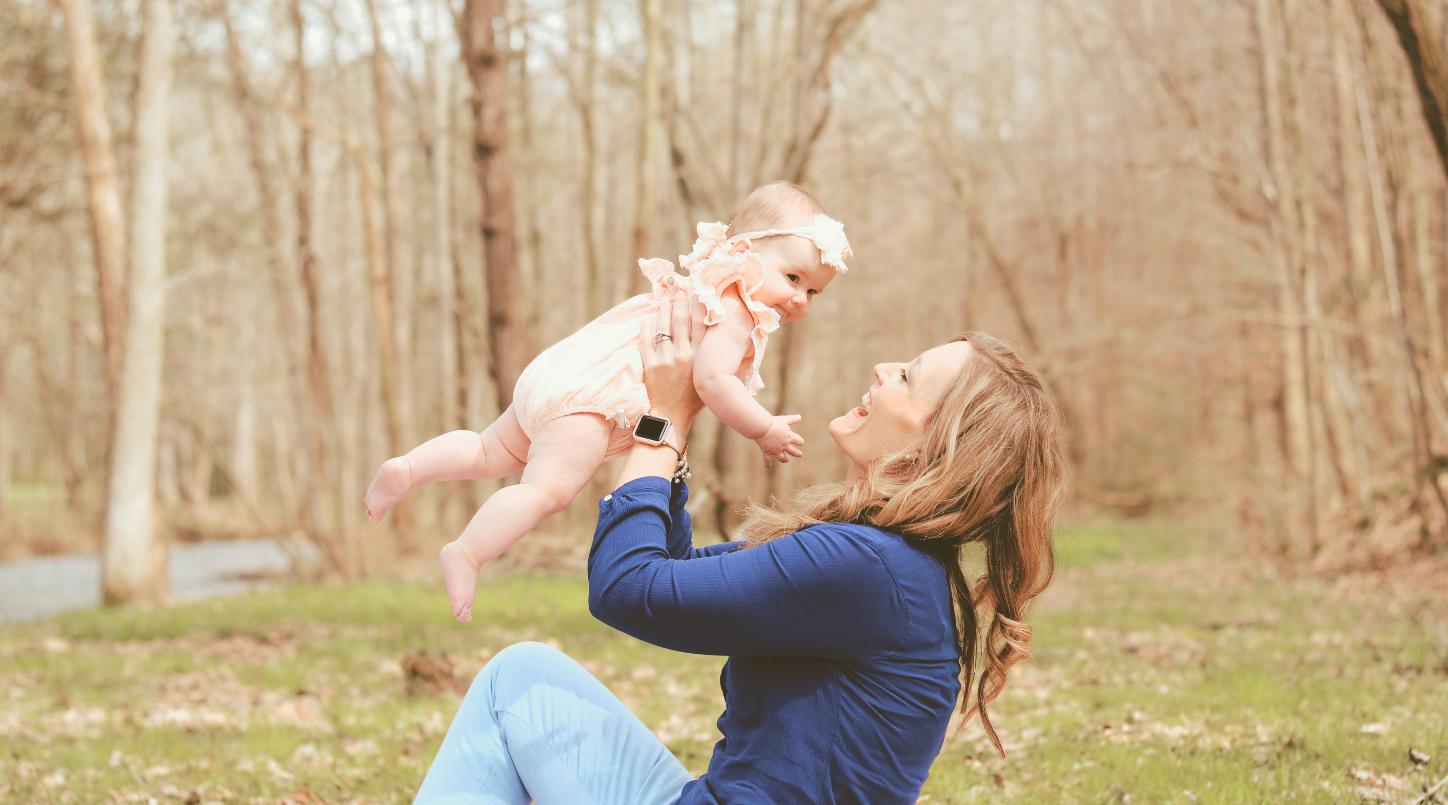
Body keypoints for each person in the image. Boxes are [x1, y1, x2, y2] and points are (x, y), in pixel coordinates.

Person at [412, 294, 1066, 804]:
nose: (881, 369)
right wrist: (676, 421)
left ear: (935, 447)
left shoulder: (869, 568)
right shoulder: (889, 567)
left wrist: (658, 426)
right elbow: (677, 577)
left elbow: (627, 588)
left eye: (907, 376)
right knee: (524, 678)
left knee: (515, 680)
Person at [362, 182, 852, 622]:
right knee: (546, 492)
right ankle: (468, 553)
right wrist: (762, 428)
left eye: (814, 291)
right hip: (591, 401)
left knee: (489, 450)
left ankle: (408, 468)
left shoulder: (705, 283)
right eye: (793, 278)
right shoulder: (735, 310)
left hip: (562, 371)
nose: (801, 299)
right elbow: (711, 381)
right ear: (745, 252)